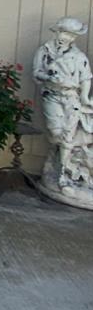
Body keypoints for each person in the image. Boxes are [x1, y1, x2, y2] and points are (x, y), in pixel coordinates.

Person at [32, 17, 93, 186]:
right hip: (52, 95)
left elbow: (86, 78)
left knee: (68, 136)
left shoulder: (78, 56)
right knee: (55, 131)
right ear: (58, 31)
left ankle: (63, 174)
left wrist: (85, 97)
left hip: (71, 98)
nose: (68, 38)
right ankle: (57, 157)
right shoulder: (44, 51)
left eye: (73, 35)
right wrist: (50, 77)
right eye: (66, 33)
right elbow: (36, 73)